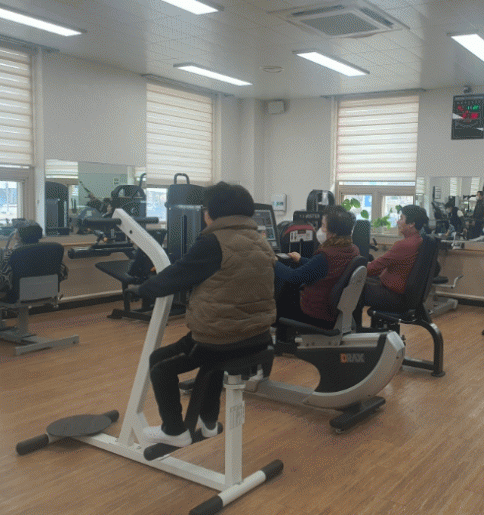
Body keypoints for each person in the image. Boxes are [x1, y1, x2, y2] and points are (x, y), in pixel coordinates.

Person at [129, 182, 277, 447]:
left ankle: (174, 431)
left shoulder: (213, 242)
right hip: (258, 335)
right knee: (212, 365)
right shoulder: (261, 241)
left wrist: (140, 289)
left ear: (210, 213)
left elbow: (175, 277)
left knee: (160, 363)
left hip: (222, 338)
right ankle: (208, 422)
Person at [274, 205, 359, 346]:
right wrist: (301, 259)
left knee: (286, 287)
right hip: (334, 310)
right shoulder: (352, 250)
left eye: (323, 226)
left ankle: (283, 341)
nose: (320, 229)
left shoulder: (326, 255)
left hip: (317, 313)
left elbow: (294, 277)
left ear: (334, 232)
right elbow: (322, 268)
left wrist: (274, 262)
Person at [353, 204, 429, 328]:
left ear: (411, 224)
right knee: (360, 281)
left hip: (394, 296)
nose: (398, 222)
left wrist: (351, 270)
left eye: (401, 218)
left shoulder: (404, 245)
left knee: (353, 286)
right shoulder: (418, 241)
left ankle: (353, 331)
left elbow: (374, 267)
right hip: (398, 293)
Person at [0, 222, 68, 298]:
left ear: (18, 236)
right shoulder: (50, 251)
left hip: (17, 295)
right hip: (47, 293)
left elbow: (3, 279)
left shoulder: (14, 253)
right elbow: (63, 272)